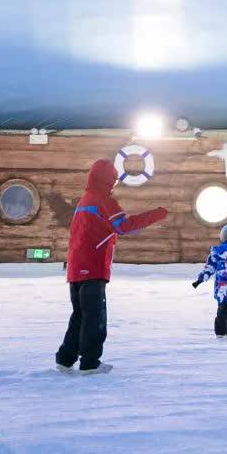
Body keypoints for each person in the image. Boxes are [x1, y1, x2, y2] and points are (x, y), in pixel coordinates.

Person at [55, 159, 168, 373]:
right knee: (95, 317)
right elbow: (124, 227)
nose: (114, 185)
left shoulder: (84, 200)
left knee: (79, 315)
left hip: (76, 268)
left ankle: (65, 359)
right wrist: (157, 214)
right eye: (113, 180)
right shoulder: (103, 201)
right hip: (93, 267)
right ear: (106, 180)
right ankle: (90, 363)